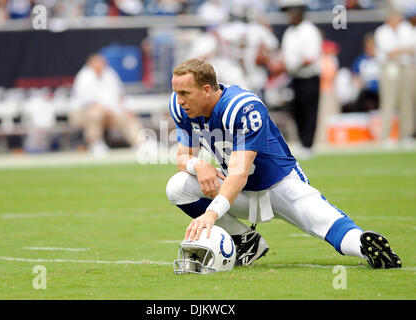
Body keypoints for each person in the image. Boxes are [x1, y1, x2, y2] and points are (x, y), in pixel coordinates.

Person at [165, 58, 402, 269]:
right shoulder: (182, 108)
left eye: (185, 93)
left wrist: (210, 215)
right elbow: (182, 157)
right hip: (239, 192)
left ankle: (366, 248)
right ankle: (245, 241)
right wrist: (199, 165)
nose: (179, 99)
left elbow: (239, 172)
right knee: (178, 186)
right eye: (177, 92)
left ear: (206, 90)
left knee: (325, 222)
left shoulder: (242, 107)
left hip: (280, 184)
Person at [70, 54, 142, 156]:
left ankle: (141, 144)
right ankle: (95, 144)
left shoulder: (110, 74)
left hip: (111, 112)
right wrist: (107, 111)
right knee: (95, 114)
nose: (101, 64)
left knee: (129, 117)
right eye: (98, 62)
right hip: (84, 113)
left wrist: (124, 109)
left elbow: (120, 96)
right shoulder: (84, 76)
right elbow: (87, 103)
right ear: (91, 64)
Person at [280, 1, 322, 159]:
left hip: (309, 77)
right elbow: (285, 55)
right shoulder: (289, 32)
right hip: (295, 77)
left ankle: (308, 144)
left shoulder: (309, 31)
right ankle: (301, 142)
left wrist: (291, 66)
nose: (290, 16)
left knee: (309, 110)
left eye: (292, 13)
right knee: (296, 110)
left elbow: (310, 58)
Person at [374, 9, 414, 148]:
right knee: (388, 102)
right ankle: (385, 136)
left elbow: (412, 48)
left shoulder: (407, 29)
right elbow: (389, 51)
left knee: (407, 102)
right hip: (389, 68)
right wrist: (403, 50)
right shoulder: (382, 31)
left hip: (406, 67)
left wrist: (399, 51)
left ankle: (407, 135)